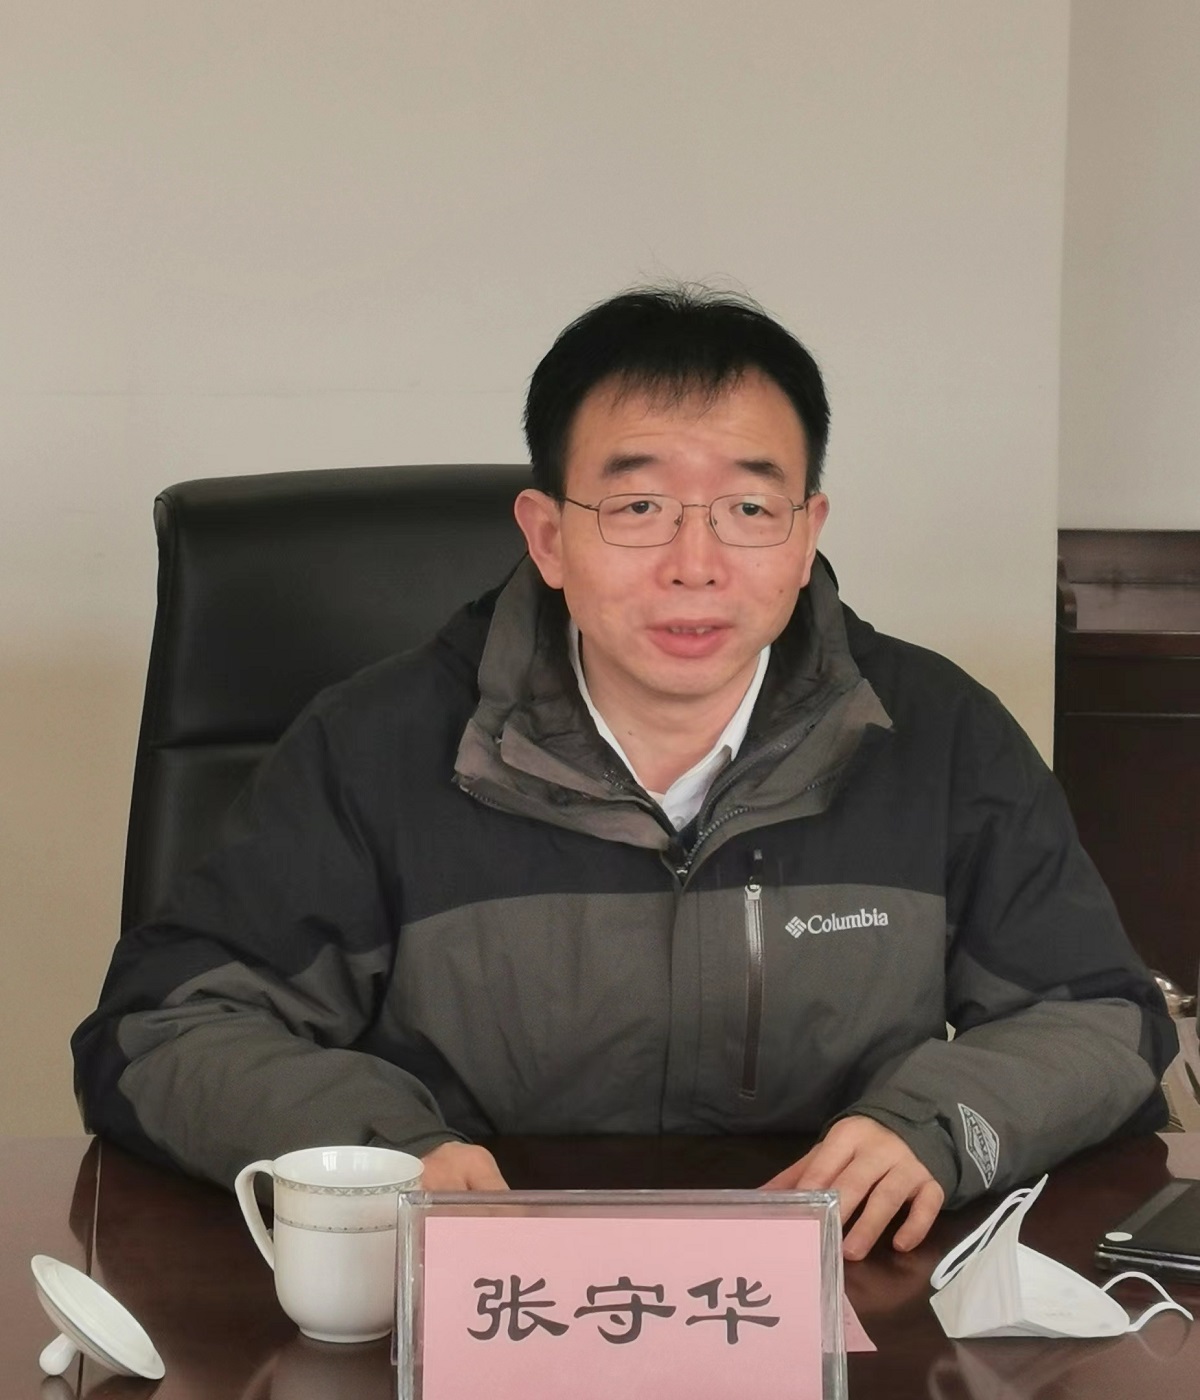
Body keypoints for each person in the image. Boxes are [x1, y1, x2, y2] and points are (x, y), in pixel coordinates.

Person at [73, 286, 1175, 1260]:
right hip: (466, 1295)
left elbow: (1101, 1018)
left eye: (749, 509)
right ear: (548, 536)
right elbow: (163, 1032)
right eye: (639, 507)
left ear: (806, 535)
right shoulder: (376, 744)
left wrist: (937, 1125)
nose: (696, 563)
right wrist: (384, 1151)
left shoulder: (936, 736)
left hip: (828, 1300)